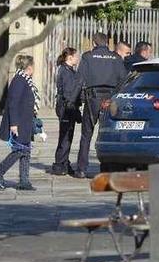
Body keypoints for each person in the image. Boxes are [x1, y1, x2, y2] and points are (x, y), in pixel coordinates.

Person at [76, 33, 127, 178]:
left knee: (86, 134)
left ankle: (81, 169)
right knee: (109, 133)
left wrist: (76, 99)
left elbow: (80, 79)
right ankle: (107, 167)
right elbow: (123, 80)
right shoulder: (116, 58)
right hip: (110, 99)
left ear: (94, 43)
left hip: (93, 98)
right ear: (107, 43)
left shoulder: (87, 56)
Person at [0, 55, 40, 191]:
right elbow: (13, 103)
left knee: (26, 151)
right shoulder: (19, 80)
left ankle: (24, 181)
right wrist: (13, 124)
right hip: (19, 122)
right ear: (29, 67)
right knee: (19, 150)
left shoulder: (25, 80)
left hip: (25, 121)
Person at [50, 47, 82, 176]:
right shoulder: (65, 71)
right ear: (70, 58)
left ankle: (64, 162)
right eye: (76, 56)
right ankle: (59, 164)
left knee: (68, 136)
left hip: (69, 107)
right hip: (66, 108)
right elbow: (69, 92)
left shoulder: (69, 70)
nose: (77, 58)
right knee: (64, 137)